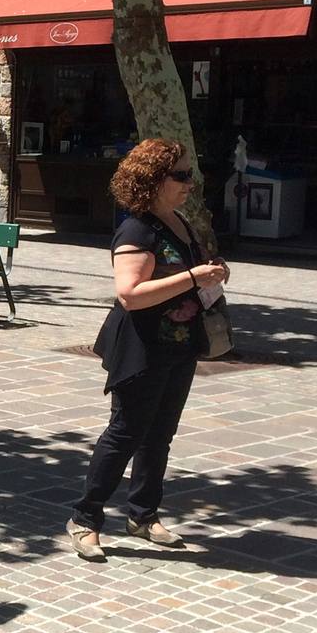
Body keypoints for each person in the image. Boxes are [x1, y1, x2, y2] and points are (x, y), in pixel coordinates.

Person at [68, 140, 228, 560]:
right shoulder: (138, 229)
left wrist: (212, 273)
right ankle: (85, 518)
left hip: (180, 344)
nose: (189, 182)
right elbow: (130, 293)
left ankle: (142, 514)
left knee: (159, 435)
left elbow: (189, 274)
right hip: (142, 346)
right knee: (125, 433)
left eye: (190, 173)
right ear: (153, 180)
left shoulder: (179, 221)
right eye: (181, 175)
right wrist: (195, 276)